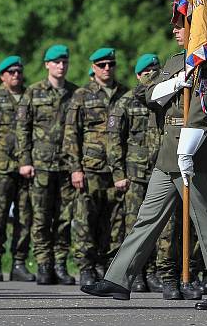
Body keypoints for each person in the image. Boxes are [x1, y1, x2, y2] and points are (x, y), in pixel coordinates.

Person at [81, 24, 207, 310]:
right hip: (167, 152)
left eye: (181, 25)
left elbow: (203, 110)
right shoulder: (177, 62)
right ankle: (118, 278)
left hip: (193, 151)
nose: (176, 30)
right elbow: (147, 93)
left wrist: (188, 150)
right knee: (147, 217)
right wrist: (176, 83)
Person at [64, 48, 129, 286]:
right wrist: (75, 168)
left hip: (116, 170)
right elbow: (71, 134)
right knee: (85, 218)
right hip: (90, 168)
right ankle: (85, 265)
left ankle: (105, 264)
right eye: (101, 65)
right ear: (93, 67)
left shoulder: (124, 94)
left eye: (111, 64)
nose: (107, 69)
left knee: (112, 220)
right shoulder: (82, 95)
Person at [15, 44, 78, 285]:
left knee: (64, 217)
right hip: (40, 165)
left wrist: (76, 165)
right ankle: (43, 264)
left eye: (64, 61)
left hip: (66, 166)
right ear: (47, 65)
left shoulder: (75, 93)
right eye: (56, 61)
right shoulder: (32, 93)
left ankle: (60, 264)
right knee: (40, 218)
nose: (61, 65)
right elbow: (22, 129)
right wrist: (25, 160)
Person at [106, 53, 163, 293]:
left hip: (160, 171)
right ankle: (135, 273)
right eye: (147, 73)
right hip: (134, 174)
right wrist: (118, 173)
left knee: (160, 229)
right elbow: (114, 141)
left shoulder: (164, 99)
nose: (152, 76)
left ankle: (153, 272)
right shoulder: (126, 102)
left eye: (156, 72)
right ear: (138, 76)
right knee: (134, 226)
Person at [0, 55, 35, 282]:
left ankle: (19, 264)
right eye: (11, 72)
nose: (16, 75)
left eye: (19, 71)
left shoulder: (29, 97)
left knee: (25, 217)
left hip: (25, 167)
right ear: (2, 75)